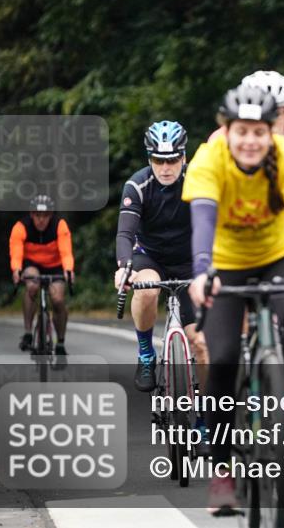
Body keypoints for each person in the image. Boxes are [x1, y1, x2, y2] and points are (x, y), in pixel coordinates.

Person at [184, 85, 284, 514]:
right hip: (224, 260)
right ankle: (221, 474)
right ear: (227, 131)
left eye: (259, 131)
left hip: (279, 255)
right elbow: (201, 218)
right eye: (242, 131)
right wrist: (201, 272)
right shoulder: (209, 158)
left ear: (270, 132)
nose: (251, 140)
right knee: (221, 362)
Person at [208, 71, 284, 397]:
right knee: (225, 333)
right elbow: (207, 211)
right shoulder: (223, 140)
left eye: (280, 112)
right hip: (234, 240)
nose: (273, 120)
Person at [113, 121, 207, 397]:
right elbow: (124, 234)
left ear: (184, 157)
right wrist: (123, 268)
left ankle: (207, 417)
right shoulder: (138, 185)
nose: (165, 167)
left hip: (189, 260)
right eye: (158, 160)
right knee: (148, 289)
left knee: (200, 342)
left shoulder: (198, 181)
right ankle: (145, 355)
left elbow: (212, 227)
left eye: (172, 160)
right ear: (149, 158)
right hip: (149, 257)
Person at [9, 194, 74, 355]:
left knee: (58, 300)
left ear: (51, 215)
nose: (41, 220)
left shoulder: (60, 225)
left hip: (55, 266)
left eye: (45, 216)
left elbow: (66, 252)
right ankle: (28, 333)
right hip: (32, 265)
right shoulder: (21, 227)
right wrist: (16, 269)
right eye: (37, 215)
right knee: (31, 286)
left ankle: (60, 342)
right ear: (31, 214)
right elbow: (16, 252)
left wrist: (68, 270)